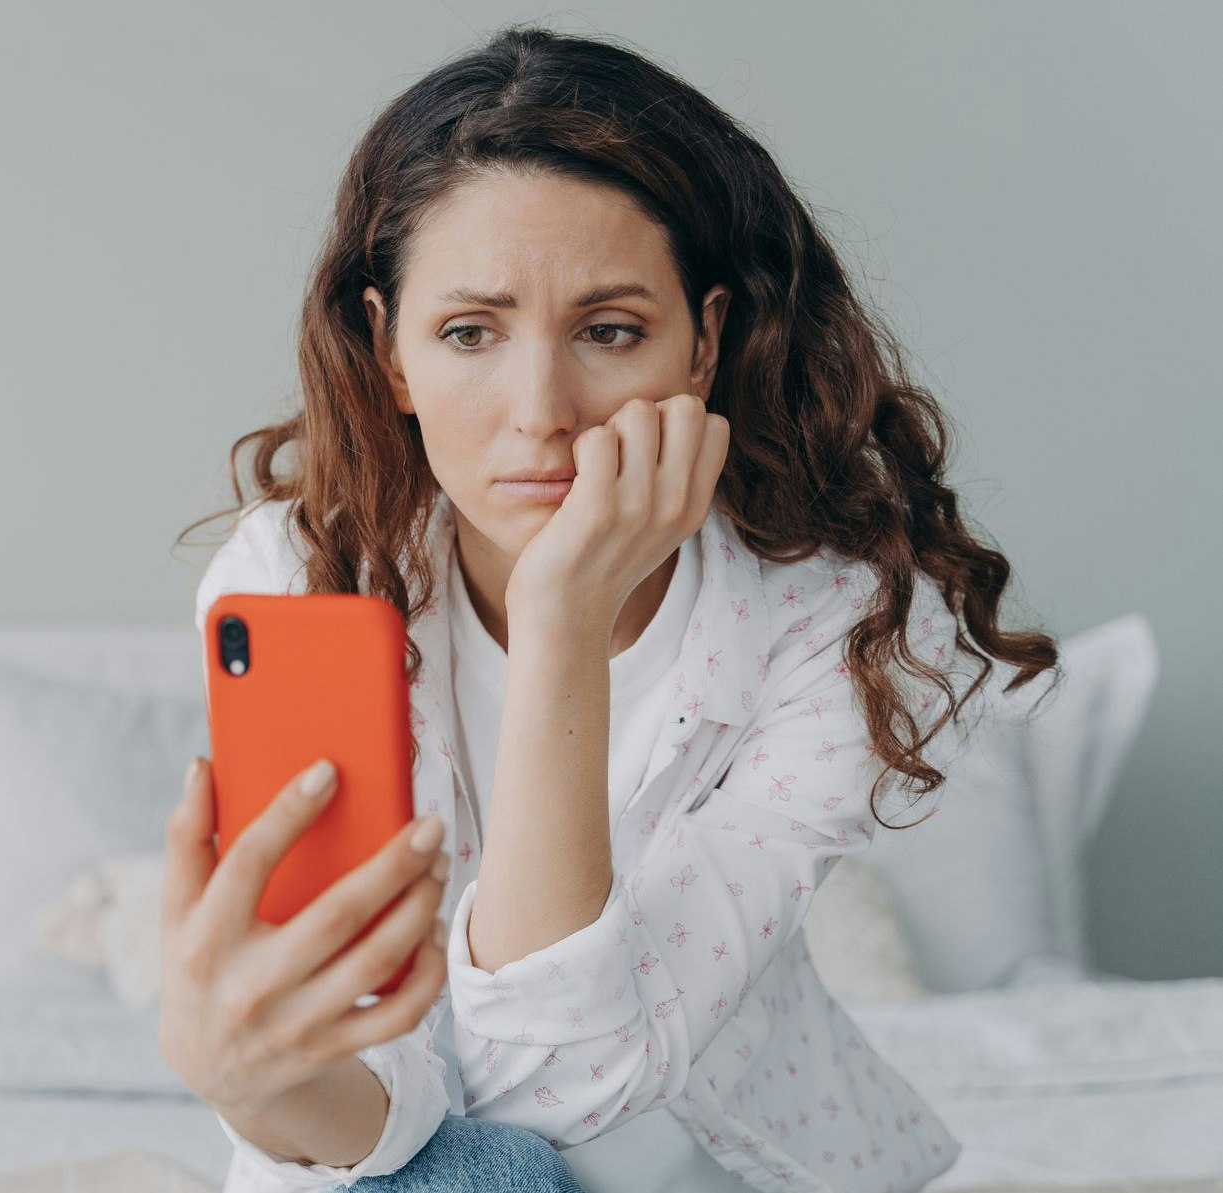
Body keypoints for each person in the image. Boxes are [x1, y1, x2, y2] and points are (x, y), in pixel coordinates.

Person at [155, 22, 1060, 1193]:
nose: (542, 410)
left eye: (610, 331)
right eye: (469, 332)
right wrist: (251, 1087)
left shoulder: (837, 619)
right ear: (390, 354)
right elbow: (368, 1084)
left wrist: (562, 623)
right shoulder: (302, 574)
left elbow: (558, 1081)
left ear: (704, 344)